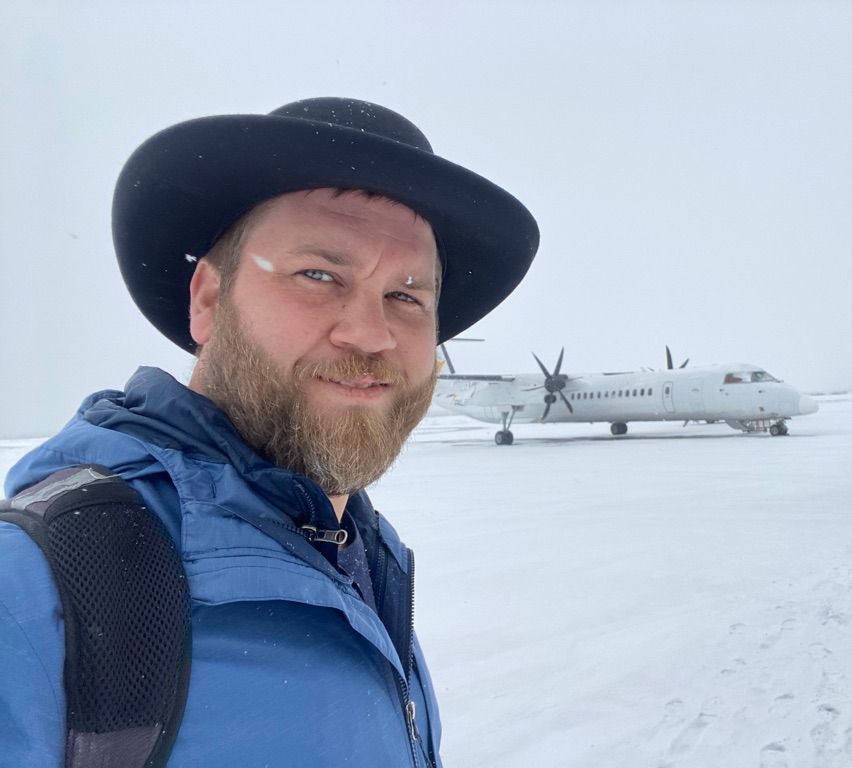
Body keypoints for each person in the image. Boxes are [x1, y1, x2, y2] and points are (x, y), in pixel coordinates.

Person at [0, 97, 539, 766]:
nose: (370, 334)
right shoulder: (32, 590)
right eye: (319, 275)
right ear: (207, 299)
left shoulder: (360, 560)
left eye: (406, 295)